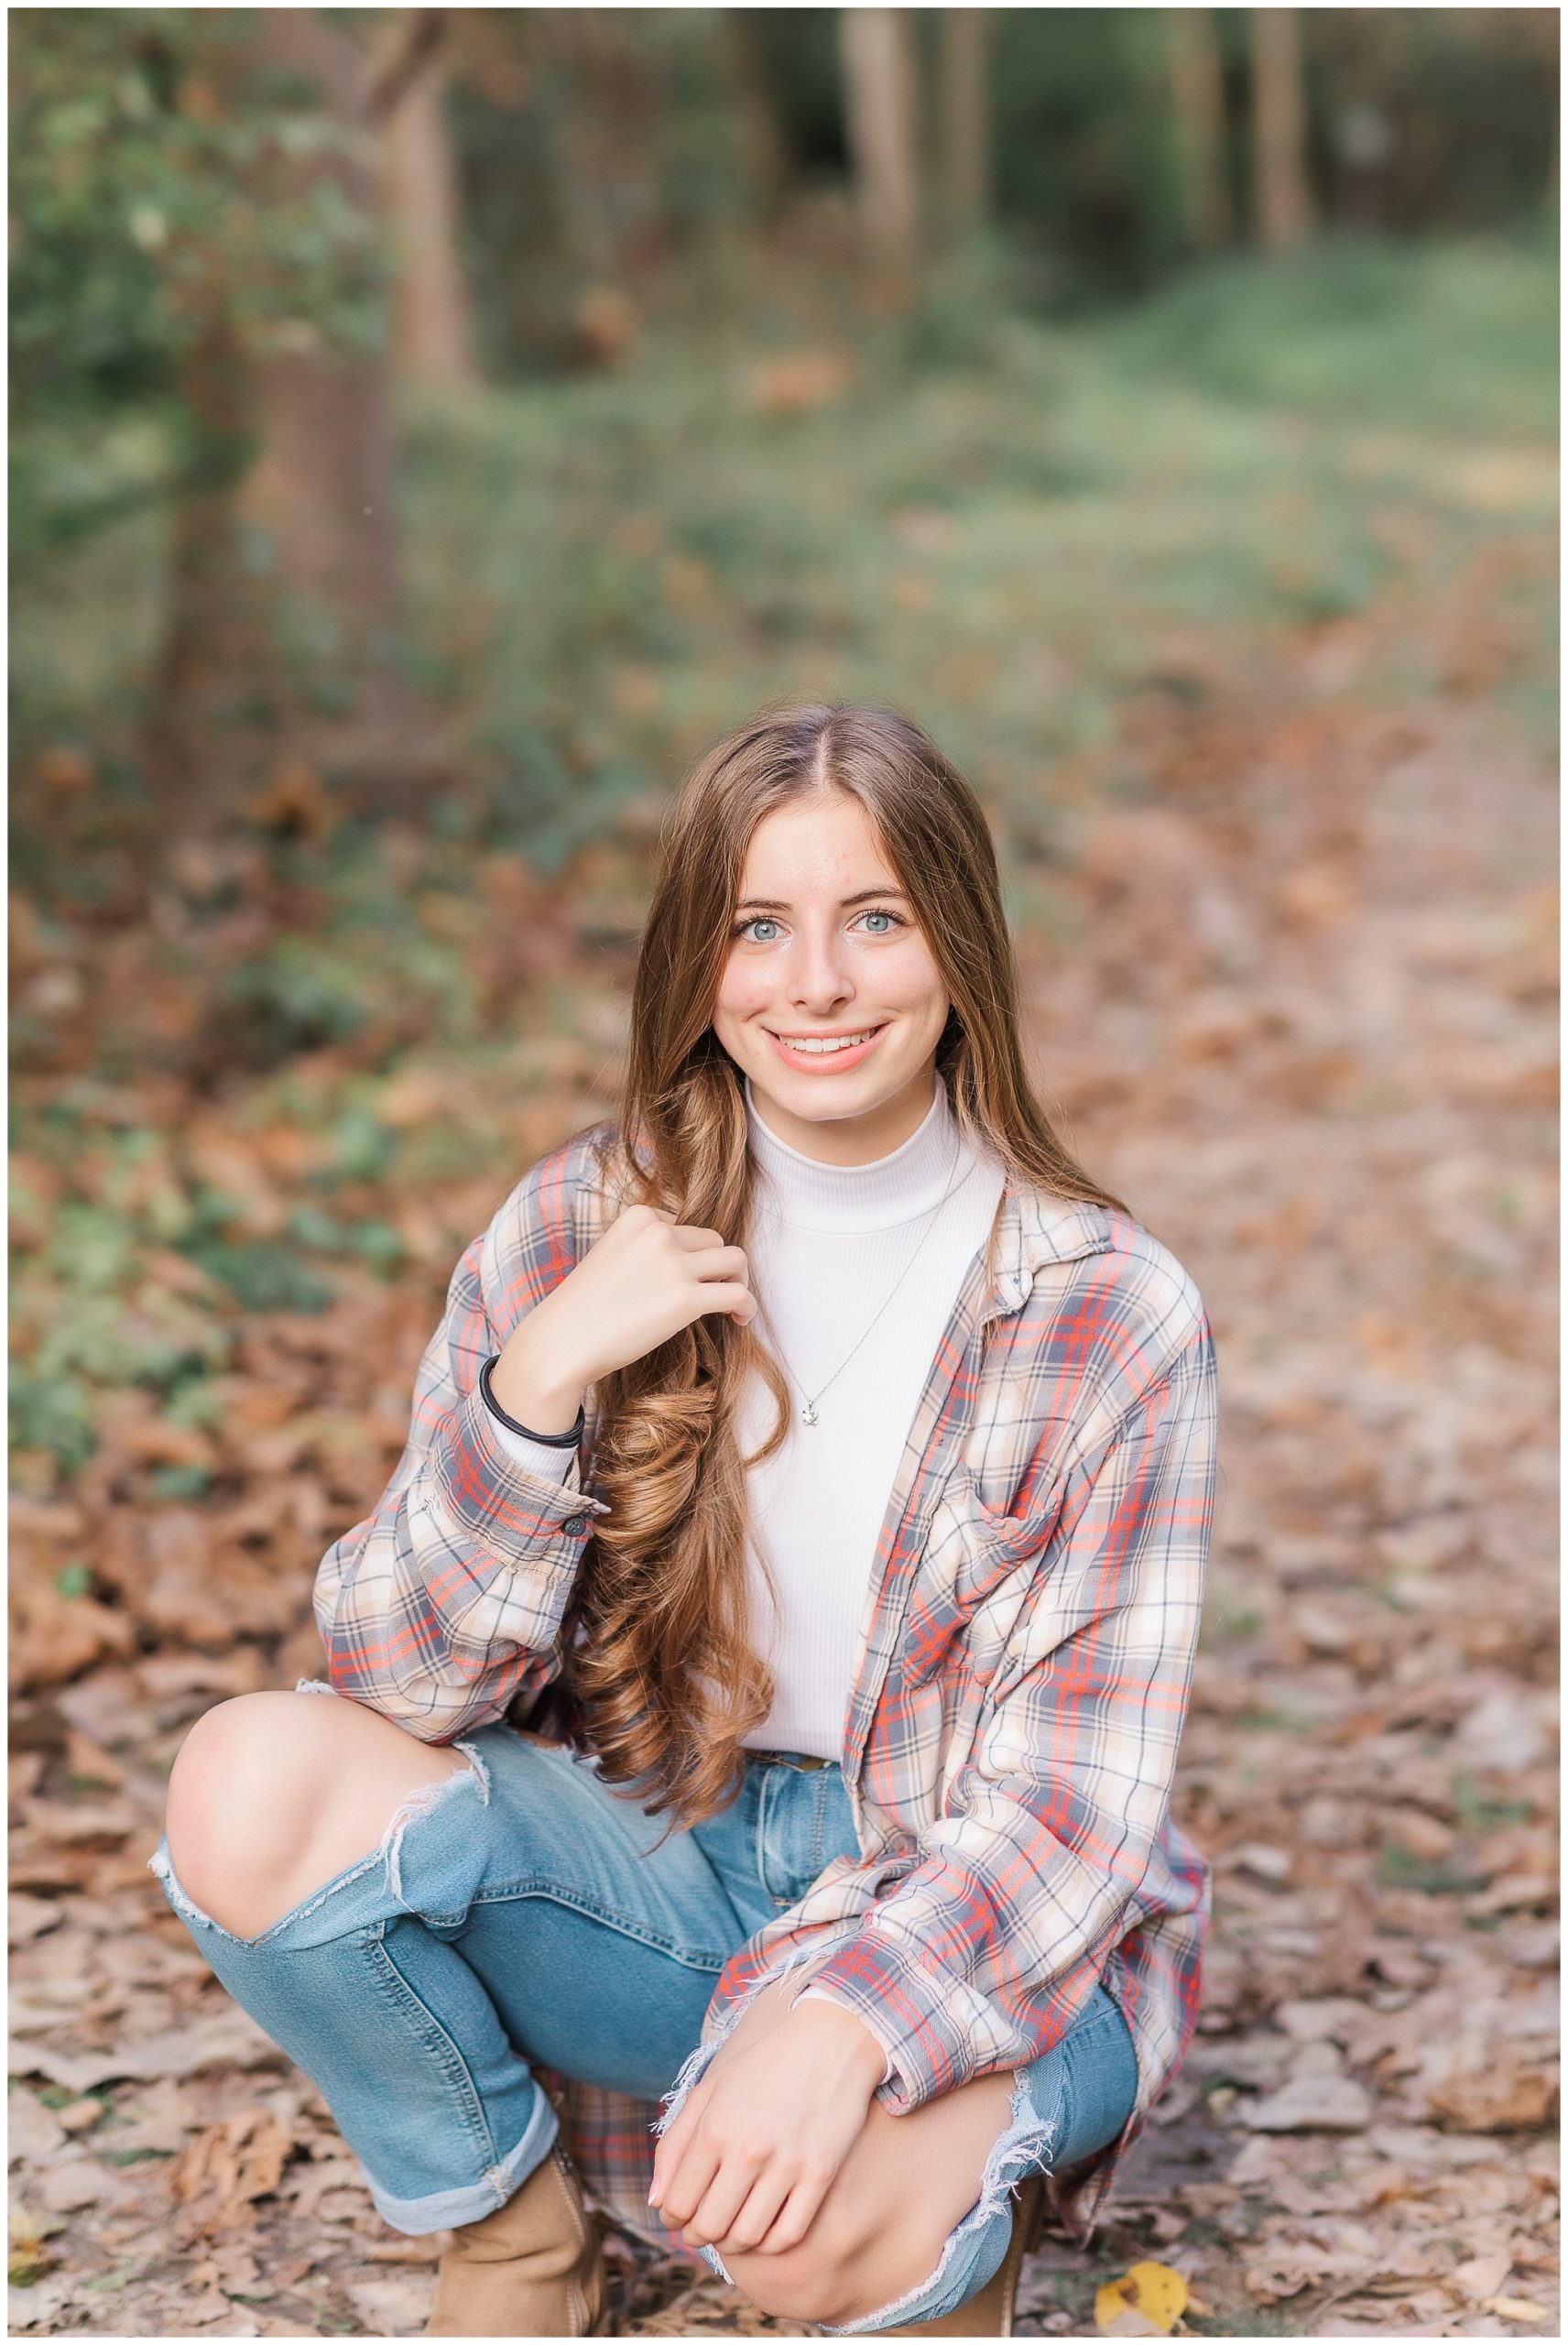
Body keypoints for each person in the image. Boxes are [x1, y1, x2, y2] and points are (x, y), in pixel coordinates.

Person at [151, 702, 1218, 2339]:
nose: (817, 984)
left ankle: (935, 2225)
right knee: (252, 1783)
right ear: (695, 963)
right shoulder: (585, 1218)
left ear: (959, 941)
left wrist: (844, 2019)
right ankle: (514, 2241)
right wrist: (538, 1382)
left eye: (875, 919)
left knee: (802, 2247)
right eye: (759, 928)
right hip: (659, 1867)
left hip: (974, 1918)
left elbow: (1072, 1814)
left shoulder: (1105, 1307)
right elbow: (396, 1684)